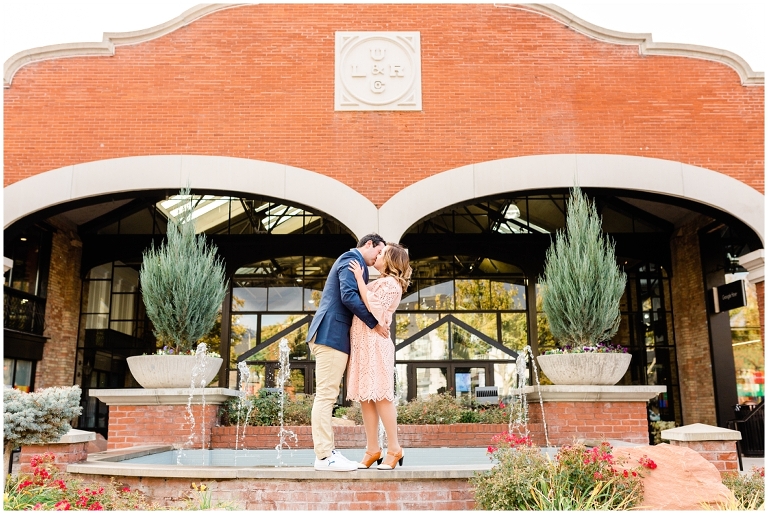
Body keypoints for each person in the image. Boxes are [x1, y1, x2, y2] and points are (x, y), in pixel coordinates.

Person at [306, 233, 388, 472]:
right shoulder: (350, 259)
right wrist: (374, 323)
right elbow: (348, 296)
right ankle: (323, 456)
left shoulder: (358, 264)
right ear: (370, 244)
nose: (378, 258)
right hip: (330, 334)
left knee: (328, 395)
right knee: (326, 396)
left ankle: (327, 452)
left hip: (334, 336)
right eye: (379, 251)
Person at [347, 243, 412, 470]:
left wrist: (359, 280)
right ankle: (373, 449)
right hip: (363, 343)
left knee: (382, 396)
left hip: (376, 344)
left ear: (392, 260)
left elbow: (374, 307)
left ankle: (394, 448)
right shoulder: (380, 282)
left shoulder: (392, 285)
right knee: (366, 396)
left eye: (383, 253)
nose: (378, 254)